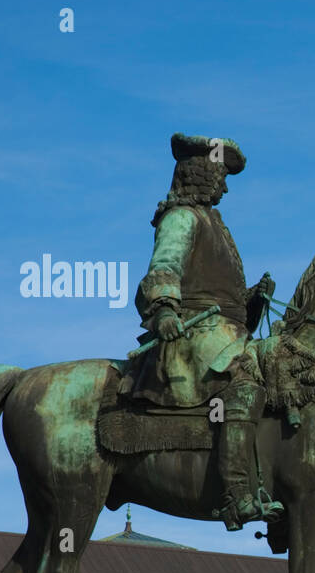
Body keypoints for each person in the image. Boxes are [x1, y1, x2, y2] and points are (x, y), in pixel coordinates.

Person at [118, 133, 283, 531]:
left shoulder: (216, 224)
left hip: (223, 331)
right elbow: (164, 267)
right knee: (248, 378)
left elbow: (221, 296)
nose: (224, 185)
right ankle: (237, 494)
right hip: (193, 334)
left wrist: (251, 300)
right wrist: (164, 308)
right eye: (219, 176)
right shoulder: (181, 218)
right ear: (197, 174)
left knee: (282, 367)